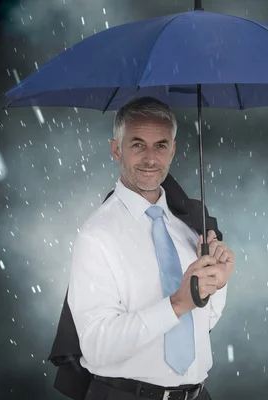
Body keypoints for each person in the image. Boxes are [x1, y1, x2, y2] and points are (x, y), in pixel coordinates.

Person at [67, 96, 234, 400]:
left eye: (160, 145)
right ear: (116, 150)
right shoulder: (97, 236)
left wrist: (216, 286)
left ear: (172, 149)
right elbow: (96, 345)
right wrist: (176, 304)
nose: (150, 158)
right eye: (137, 144)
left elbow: (203, 322)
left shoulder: (191, 227)